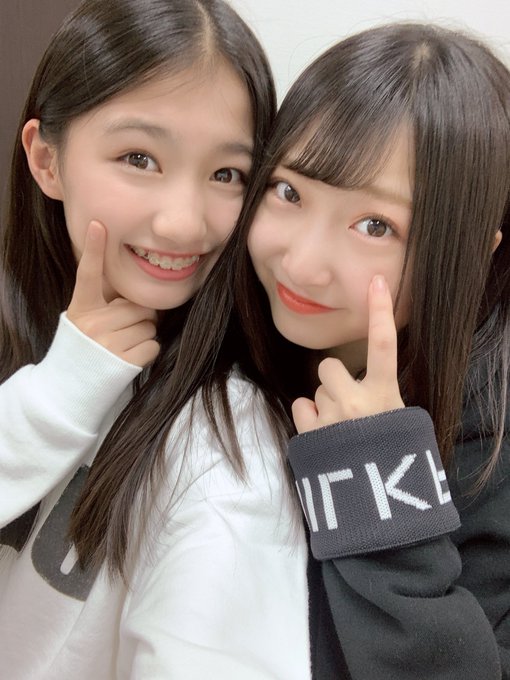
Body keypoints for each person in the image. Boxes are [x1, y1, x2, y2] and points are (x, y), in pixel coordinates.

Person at [0, 1, 311, 678]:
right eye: (139, 158)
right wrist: (56, 396)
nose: (183, 224)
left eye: (226, 174)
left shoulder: (224, 442)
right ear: (46, 159)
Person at [233, 22, 510, 679]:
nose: (302, 263)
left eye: (375, 225)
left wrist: (378, 477)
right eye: (290, 191)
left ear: (472, 254)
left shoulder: (494, 440)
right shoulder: (227, 338)